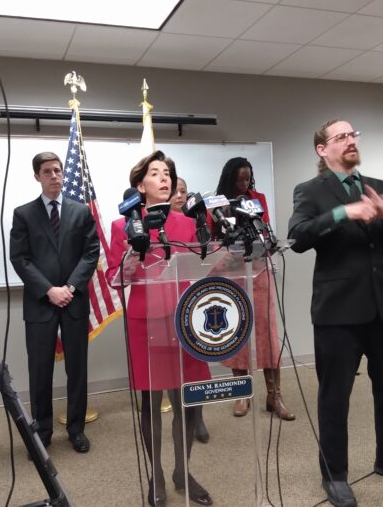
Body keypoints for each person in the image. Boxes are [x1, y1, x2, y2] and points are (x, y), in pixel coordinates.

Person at [288, 120, 383, 507]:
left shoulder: (381, 188)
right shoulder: (311, 191)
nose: (351, 141)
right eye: (341, 137)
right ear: (322, 149)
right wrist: (343, 213)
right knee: (335, 397)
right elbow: (298, 237)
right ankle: (334, 474)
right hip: (337, 313)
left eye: (354, 135)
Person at [106, 151, 213, 507]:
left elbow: (207, 266)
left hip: (185, 321)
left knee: (187, 404)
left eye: (168, 173)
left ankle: (183, 470)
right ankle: (156, 475)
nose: (165, 179)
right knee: (151, 404)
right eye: (156, 173)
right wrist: (134, 254)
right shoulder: (123, 226)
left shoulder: (187, 223)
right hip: (146, 323)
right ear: (141, 185)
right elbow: (116, 279)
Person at [10, 151, 99, 453]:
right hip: (41, 304)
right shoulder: (23, 214)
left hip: (73, 302)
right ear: (37, 176)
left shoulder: (80, 211)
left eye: (58, 171)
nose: (55, 177)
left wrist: (70, 287)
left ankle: (76, 429)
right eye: (47, 172)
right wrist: (49, 290)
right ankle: (43, 430)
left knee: (77, 369)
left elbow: (91, 253)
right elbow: (19, 259)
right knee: (40, 370)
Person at [214, 157, 295, 421]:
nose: (244, 183)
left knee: (268, 335)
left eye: (248, 178)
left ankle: (275, 395)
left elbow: (266, 233)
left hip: (259, 273)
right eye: (239, 179)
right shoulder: (217, 203)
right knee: (238, 334)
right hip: (232, 274)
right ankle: (242, 393)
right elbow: (213, 240)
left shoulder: (257, 198)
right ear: (229, 178)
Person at [168, 176, 210, 444]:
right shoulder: (153, 224)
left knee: (197, 364)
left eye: (184, 191)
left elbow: (204, 258)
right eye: (176, 191)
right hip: (166, 301)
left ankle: (198, 416)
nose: (181, 195)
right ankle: (181, 416)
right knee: (173, 368)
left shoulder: (195, 222)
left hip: (193, 298)